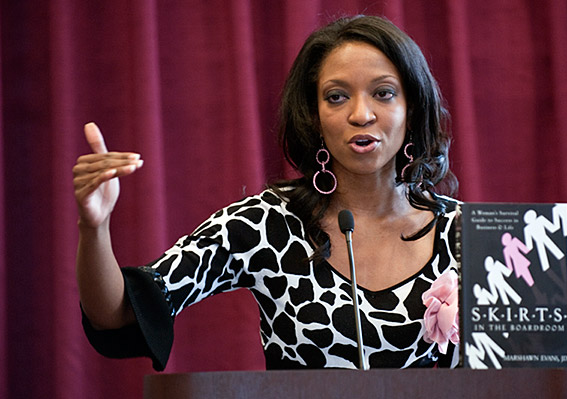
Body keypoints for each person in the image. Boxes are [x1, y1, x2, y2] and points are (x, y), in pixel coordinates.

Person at [73, 15, 460, 371]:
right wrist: (95, 227)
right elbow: (120, 311)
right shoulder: (266, 223)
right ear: (313, 115)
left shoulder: (462, 232)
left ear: (412, 108)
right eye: (337, 96)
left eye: (384, 93)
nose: (361, 114)